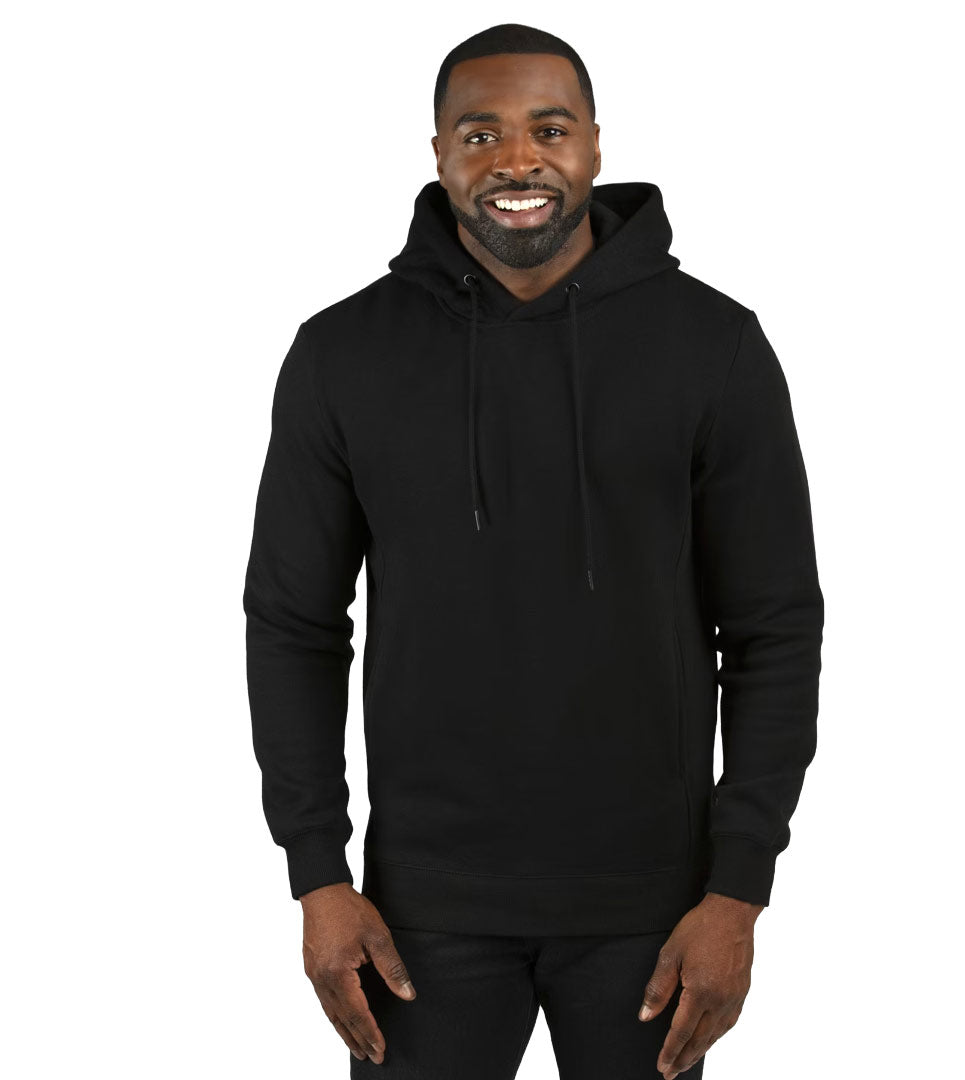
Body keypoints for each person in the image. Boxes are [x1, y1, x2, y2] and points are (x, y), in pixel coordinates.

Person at [243, 22, 824, 1080]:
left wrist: (739, 890)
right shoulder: (343, 354)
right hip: (419, 914)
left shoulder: (715, 346)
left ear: (595, 145)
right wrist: (317, 872)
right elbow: (293, 623)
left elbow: (774, 629)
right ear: (439, 154)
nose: (517, 160)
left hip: (655, 912)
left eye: (549, 130)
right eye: (481, 135)